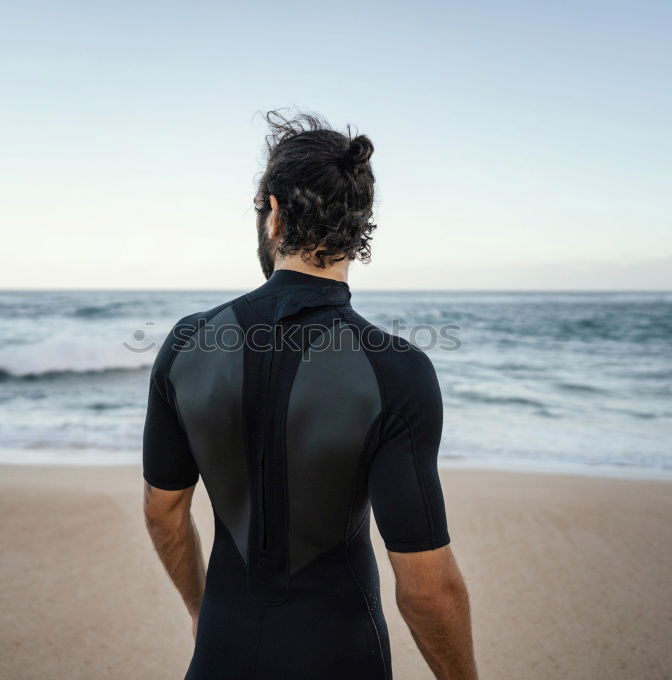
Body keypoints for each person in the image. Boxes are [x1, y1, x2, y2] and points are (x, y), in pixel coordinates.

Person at [142, 111, 477, 680]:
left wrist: (205, 611)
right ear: (359, 227)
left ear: (273, 214)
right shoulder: (394, 369)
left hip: (220, 652)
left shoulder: (187, 343)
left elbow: (164, 512)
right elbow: (425, 588)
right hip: (341, 657)